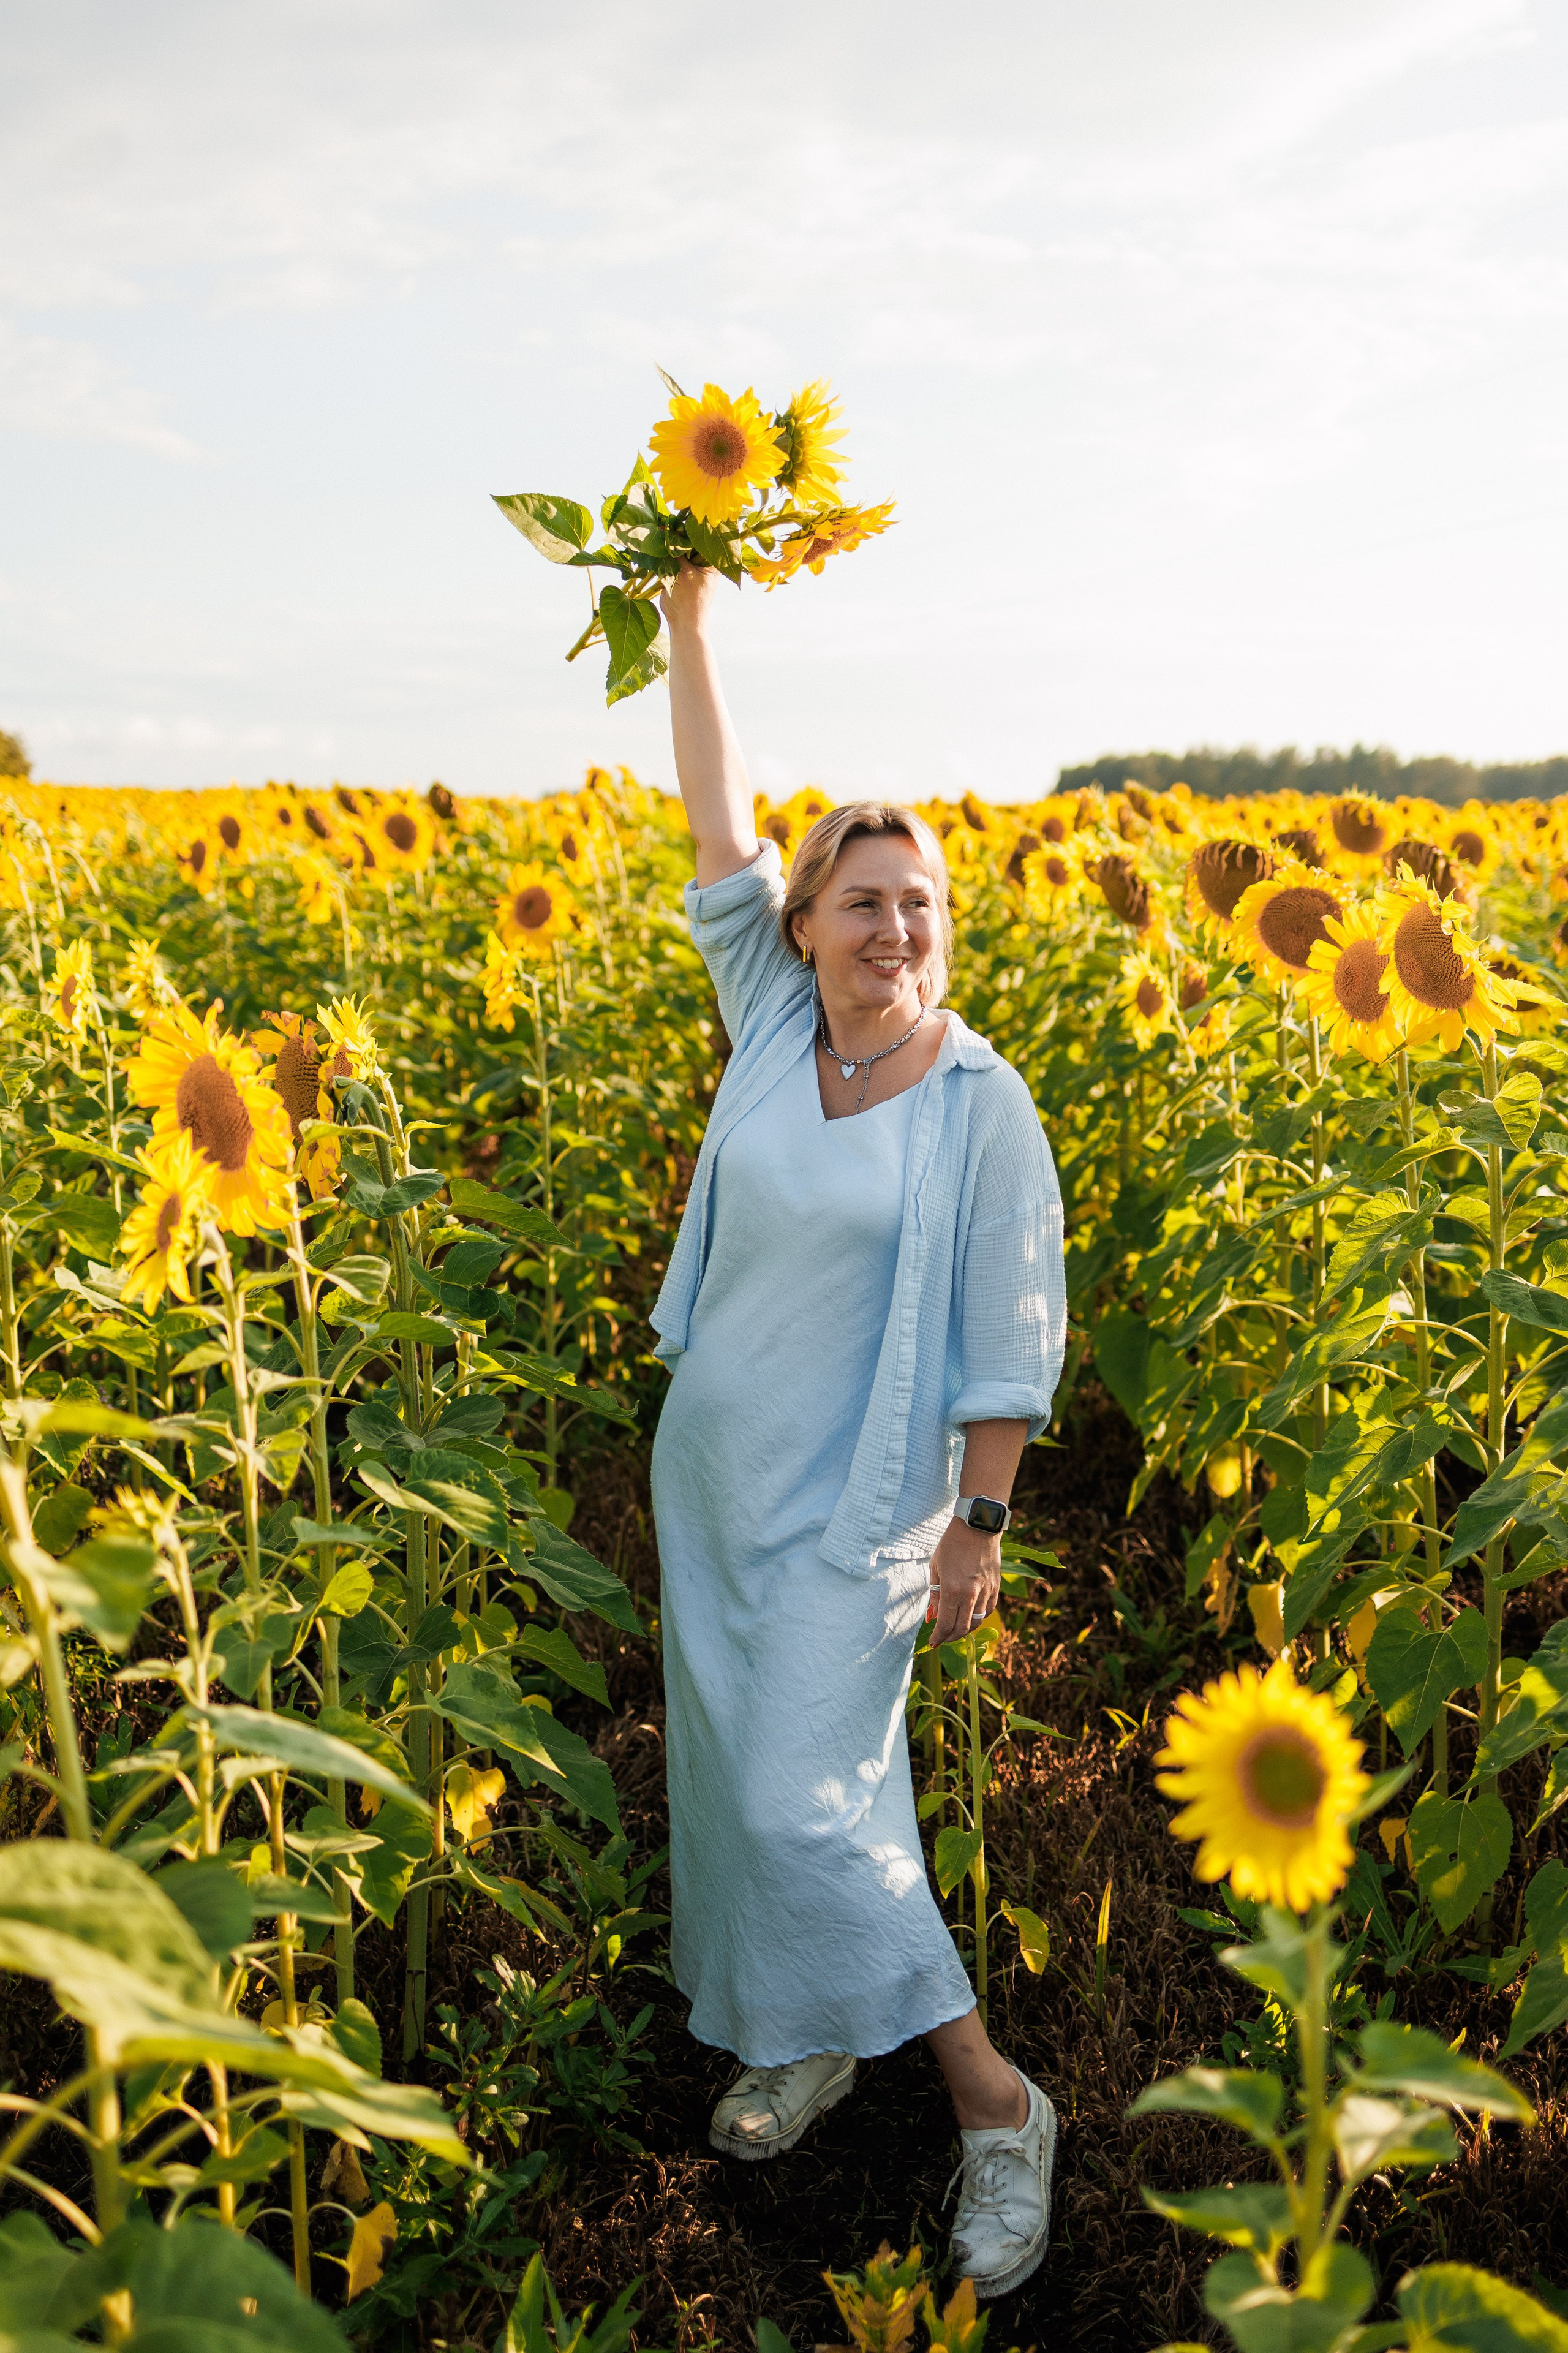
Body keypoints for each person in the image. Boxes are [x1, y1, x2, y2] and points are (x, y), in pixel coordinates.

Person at [647, 564, 1067, 2299]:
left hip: (868, 1507)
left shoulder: (979, 1100)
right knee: (740, 1781)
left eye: (921, 906)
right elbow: (713, 816)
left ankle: (995, 2103)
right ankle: (804, 2037)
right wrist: (686, 629)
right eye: (865, 901)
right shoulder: (765, 1019)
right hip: (719, 1476)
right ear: (803, 920)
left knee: (820, 1797)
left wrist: (980, 1519)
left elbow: (1012, 1325)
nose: (895, 931)